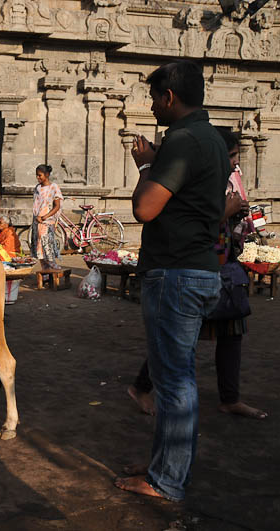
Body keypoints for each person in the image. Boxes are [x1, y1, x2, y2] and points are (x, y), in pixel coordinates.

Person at [115, 61, 230, 502]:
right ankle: (165, 467)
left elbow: (145, 209)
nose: (151, 105)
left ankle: (166, 480)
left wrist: (146, 165)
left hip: (177, 273)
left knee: (175, 381)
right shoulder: (214, 141)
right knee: (173, 377)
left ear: (170, 98)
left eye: (154, 97)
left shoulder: (183, 141)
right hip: (198, 268)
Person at [127, 129, 267, 420]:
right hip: (196, 267)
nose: (233, 165)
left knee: (232, 333)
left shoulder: (228, 180)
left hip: (224, 266)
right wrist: (225, 212)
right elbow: (186, 225)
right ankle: (143, 387)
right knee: (177, 342)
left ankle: (230, 398)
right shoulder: (196, 182)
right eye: (229, 157)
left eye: (235, 159)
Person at [30, 164, 63, 270]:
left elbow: (57, 206)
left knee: (47, 246)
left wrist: (44, 217)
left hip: (47, 222)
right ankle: (45, 272)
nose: (38, 178)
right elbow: (36, 204)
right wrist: (37, 217)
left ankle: (55, 268)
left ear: (47, 175)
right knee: (38, 248)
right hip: (37, 221)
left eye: (40, 175)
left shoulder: (54, 187)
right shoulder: (37, 188)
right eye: (37, 175)